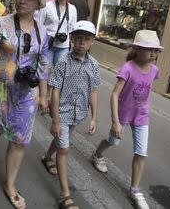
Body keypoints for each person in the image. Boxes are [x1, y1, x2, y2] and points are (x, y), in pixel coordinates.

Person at [0, 0, 49, 209]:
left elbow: (43, 63)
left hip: (26, 93)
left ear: (37, 3)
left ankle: (10, 184)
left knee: (19, 140)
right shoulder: (2, 25)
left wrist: (43, 95)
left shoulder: (42, 31)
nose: (22, 1)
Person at [91, 30, 163, 209]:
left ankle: (135, 190)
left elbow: (146, 90)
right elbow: (115, 94)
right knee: (113, 141)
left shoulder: (155, 70)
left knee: (141, 152)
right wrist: (115, 121)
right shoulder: (128, 68)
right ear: (138, 49)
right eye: (149, 49)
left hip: (142, 117)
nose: (153, 54)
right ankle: (97, 154)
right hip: (122, 114)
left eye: (156, 50)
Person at [45, 20, 101, 209]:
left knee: (61, 139)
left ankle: (46, 159)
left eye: (86, 39)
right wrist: (56, 120)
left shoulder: (93, 65)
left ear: (92, 42)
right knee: (64, 149)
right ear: (72, 39)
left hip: (79, 114)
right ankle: (65, 195)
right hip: (62, 112)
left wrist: (94, 117)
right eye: (78, 39)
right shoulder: (63, 62)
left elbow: (93, 90)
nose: (81, 43)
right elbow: (55, 90)